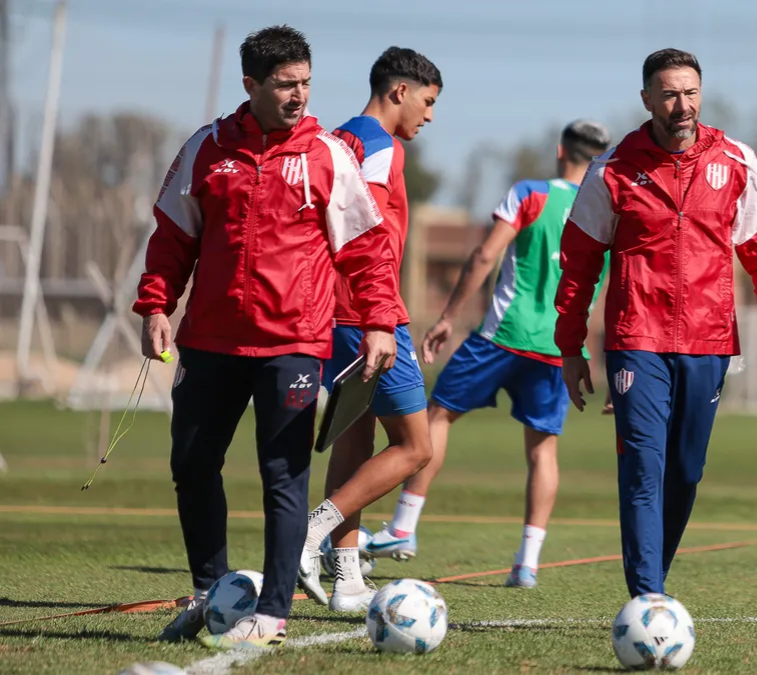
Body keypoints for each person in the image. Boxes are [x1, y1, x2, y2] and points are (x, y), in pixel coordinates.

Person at [134, 26, 399, 649]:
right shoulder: (206, 149)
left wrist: (380, 320)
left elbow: (365, 249)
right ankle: (208, 592)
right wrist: (155, 306)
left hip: (294, 343)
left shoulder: (329, 154)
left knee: (283, 476)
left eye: (305, 82)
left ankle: (272, 612)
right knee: (192, 464)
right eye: (285, 84)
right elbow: (173, 237)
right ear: (251, 84)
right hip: (210, 343)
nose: (299, 95)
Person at [554, 48, 757, 599]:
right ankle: (648, 598)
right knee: (644, 466)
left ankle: (653, 582)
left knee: (685, 472)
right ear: (646, 100)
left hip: (709, 342)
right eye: (668, 94)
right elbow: (579, 262)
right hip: (635, 339)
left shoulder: (736, 161)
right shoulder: (613, 169)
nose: (681, 105)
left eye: (690, 92)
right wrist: (570, 346)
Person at [366, 120, 613, 589]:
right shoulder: (606, 209)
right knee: (543, 449)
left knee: (437, 418)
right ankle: (527, 563)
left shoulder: (530, 193)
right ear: (600, 159)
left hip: (501, 335)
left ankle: (402, 528)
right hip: (559, 345)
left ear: (561, 150)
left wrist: (447, 316)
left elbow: (485, 255)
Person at [294, 47, 442, 613]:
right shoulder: (383, 148)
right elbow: (369, 233)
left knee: (353, 441)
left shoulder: (331, 140)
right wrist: (381, 314)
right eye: (427, 103)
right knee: (415, 446)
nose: (428, 117)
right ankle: (308, 535)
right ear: (399, 91)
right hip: (368, 315)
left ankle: (348, 577)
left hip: (327, 312)